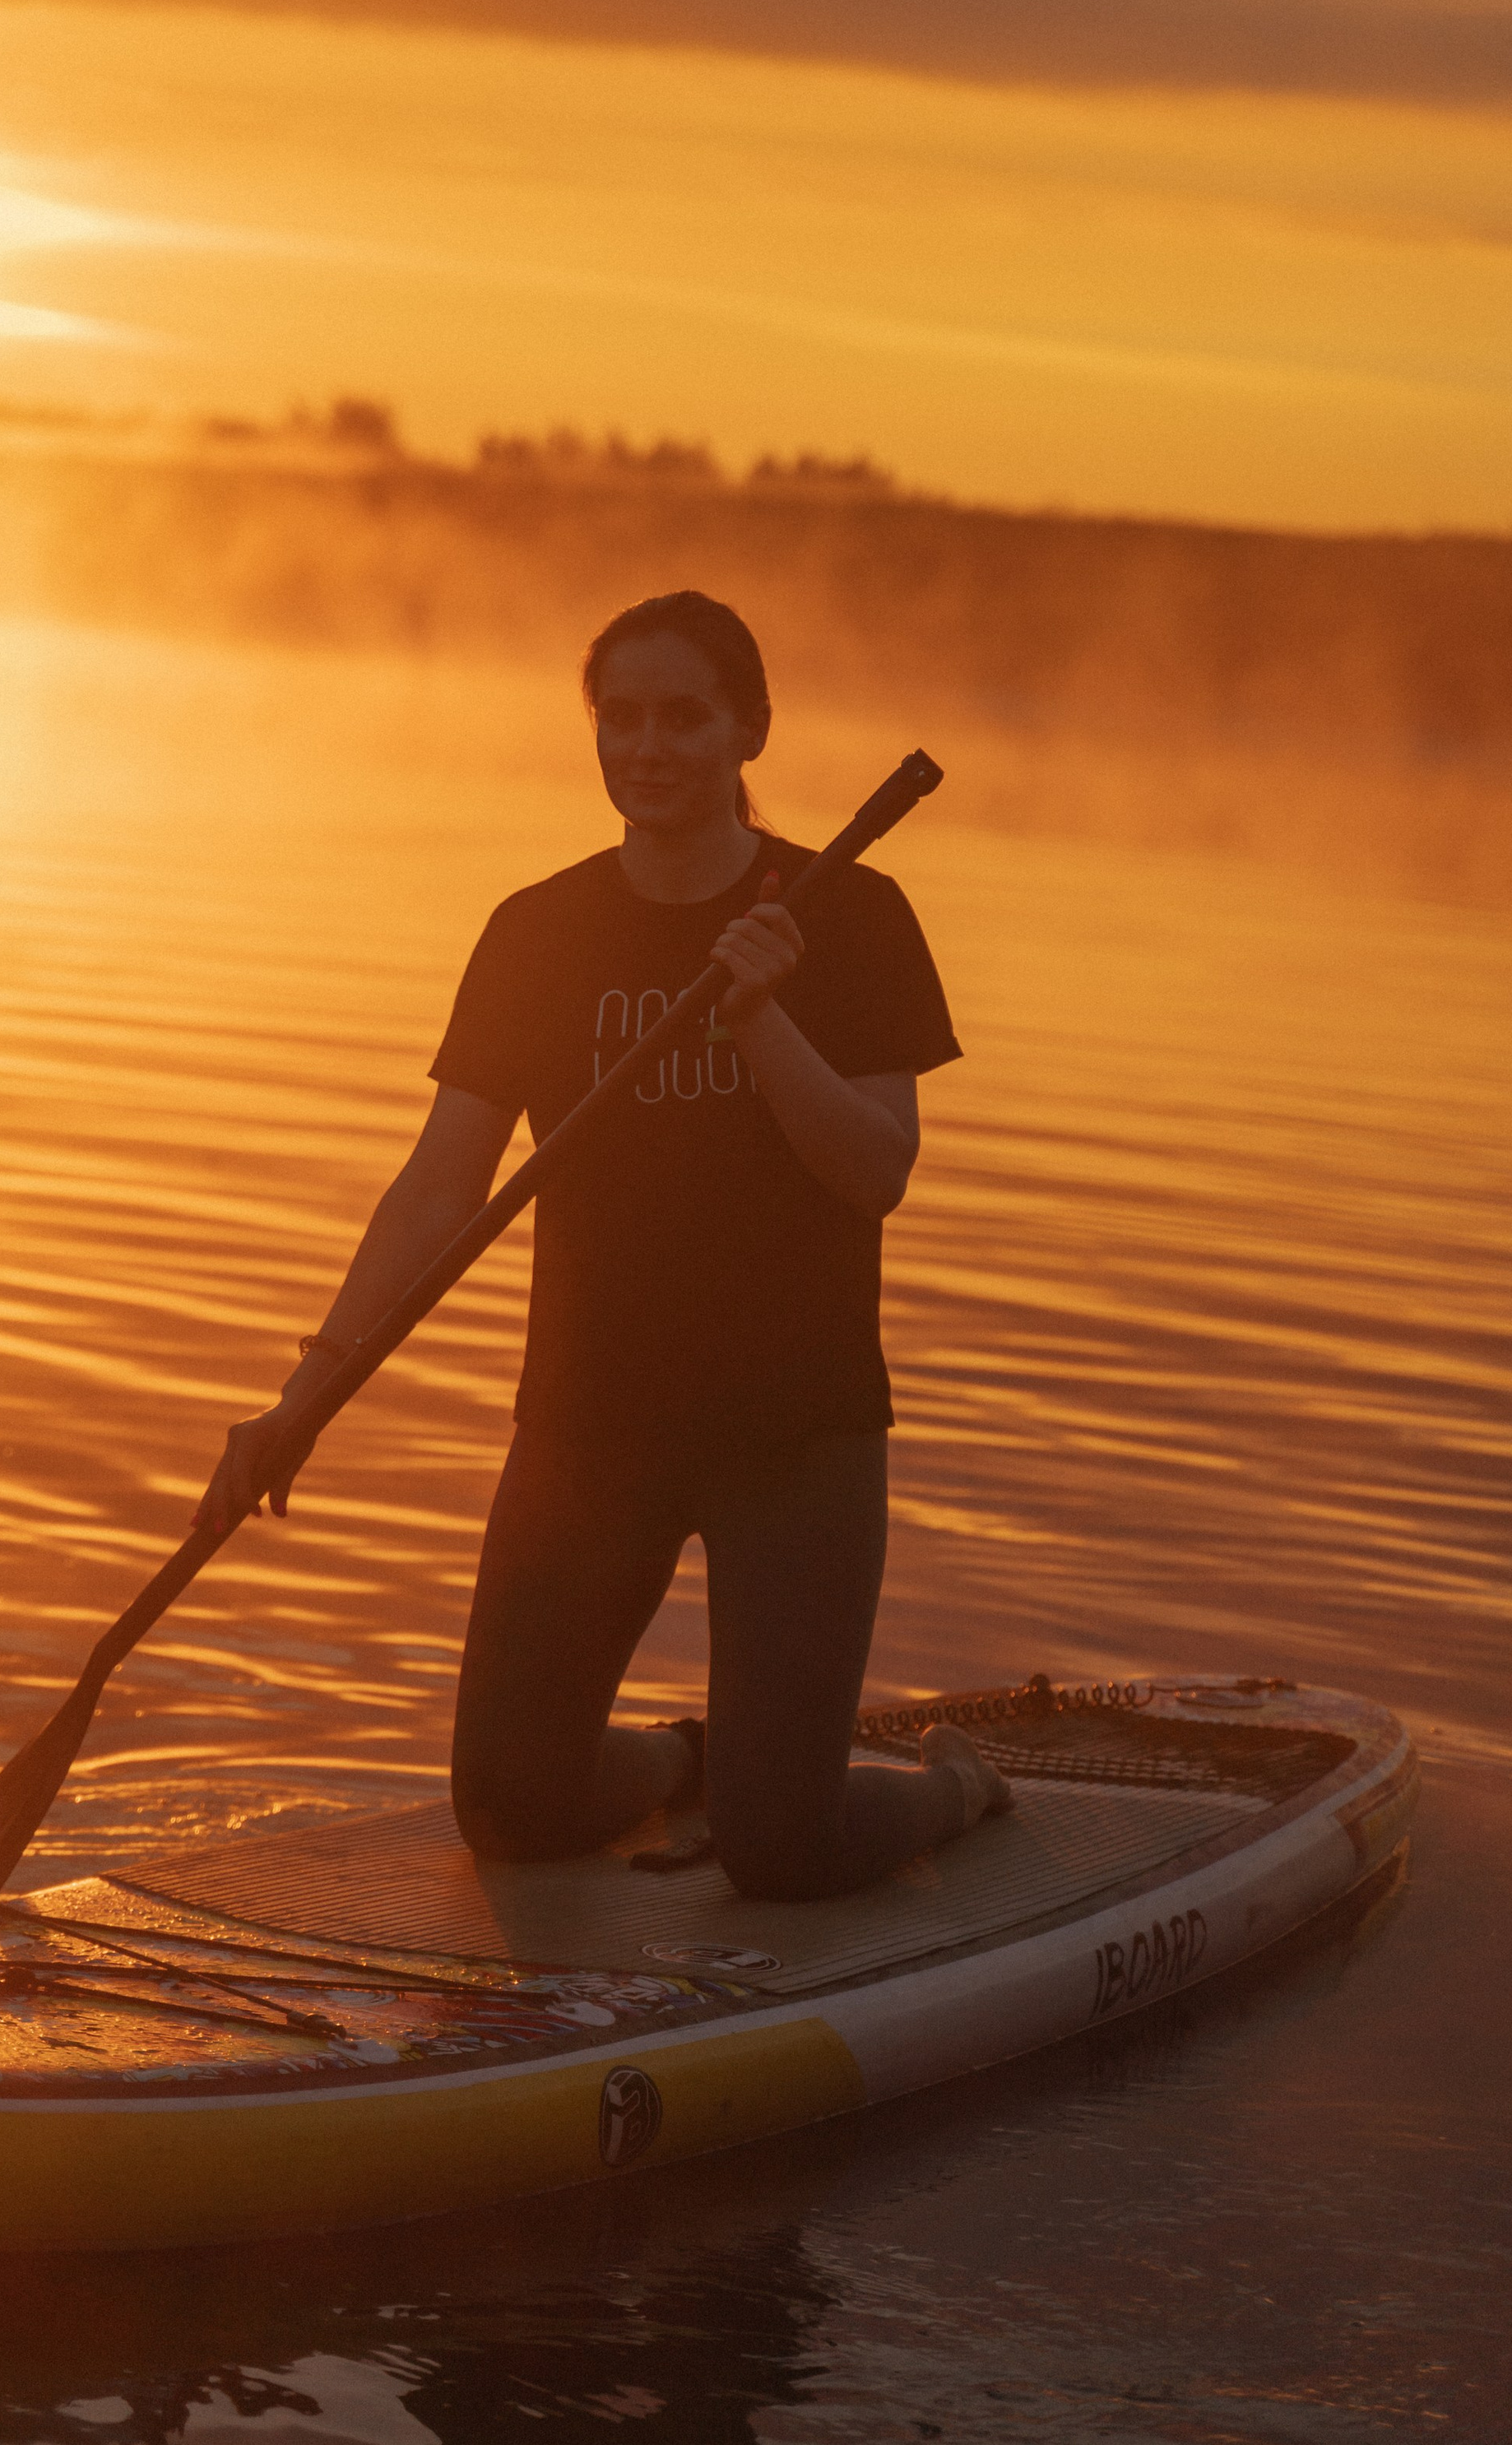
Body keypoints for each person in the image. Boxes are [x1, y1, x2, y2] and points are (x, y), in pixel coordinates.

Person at [208, 590, 1011, 1900]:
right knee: (509, 1809)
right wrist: (303, 1398)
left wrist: (761, 1017)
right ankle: (690, 1758)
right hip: (590, 1429)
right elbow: (438, 1186)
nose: (647, 747)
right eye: (620, 717)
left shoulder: (852, 916)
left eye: (684, 717)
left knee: (781, 1852)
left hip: (796, 1436)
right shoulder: (539, 933)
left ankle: (954, 1786)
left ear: (751, 728)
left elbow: (876, 1172)